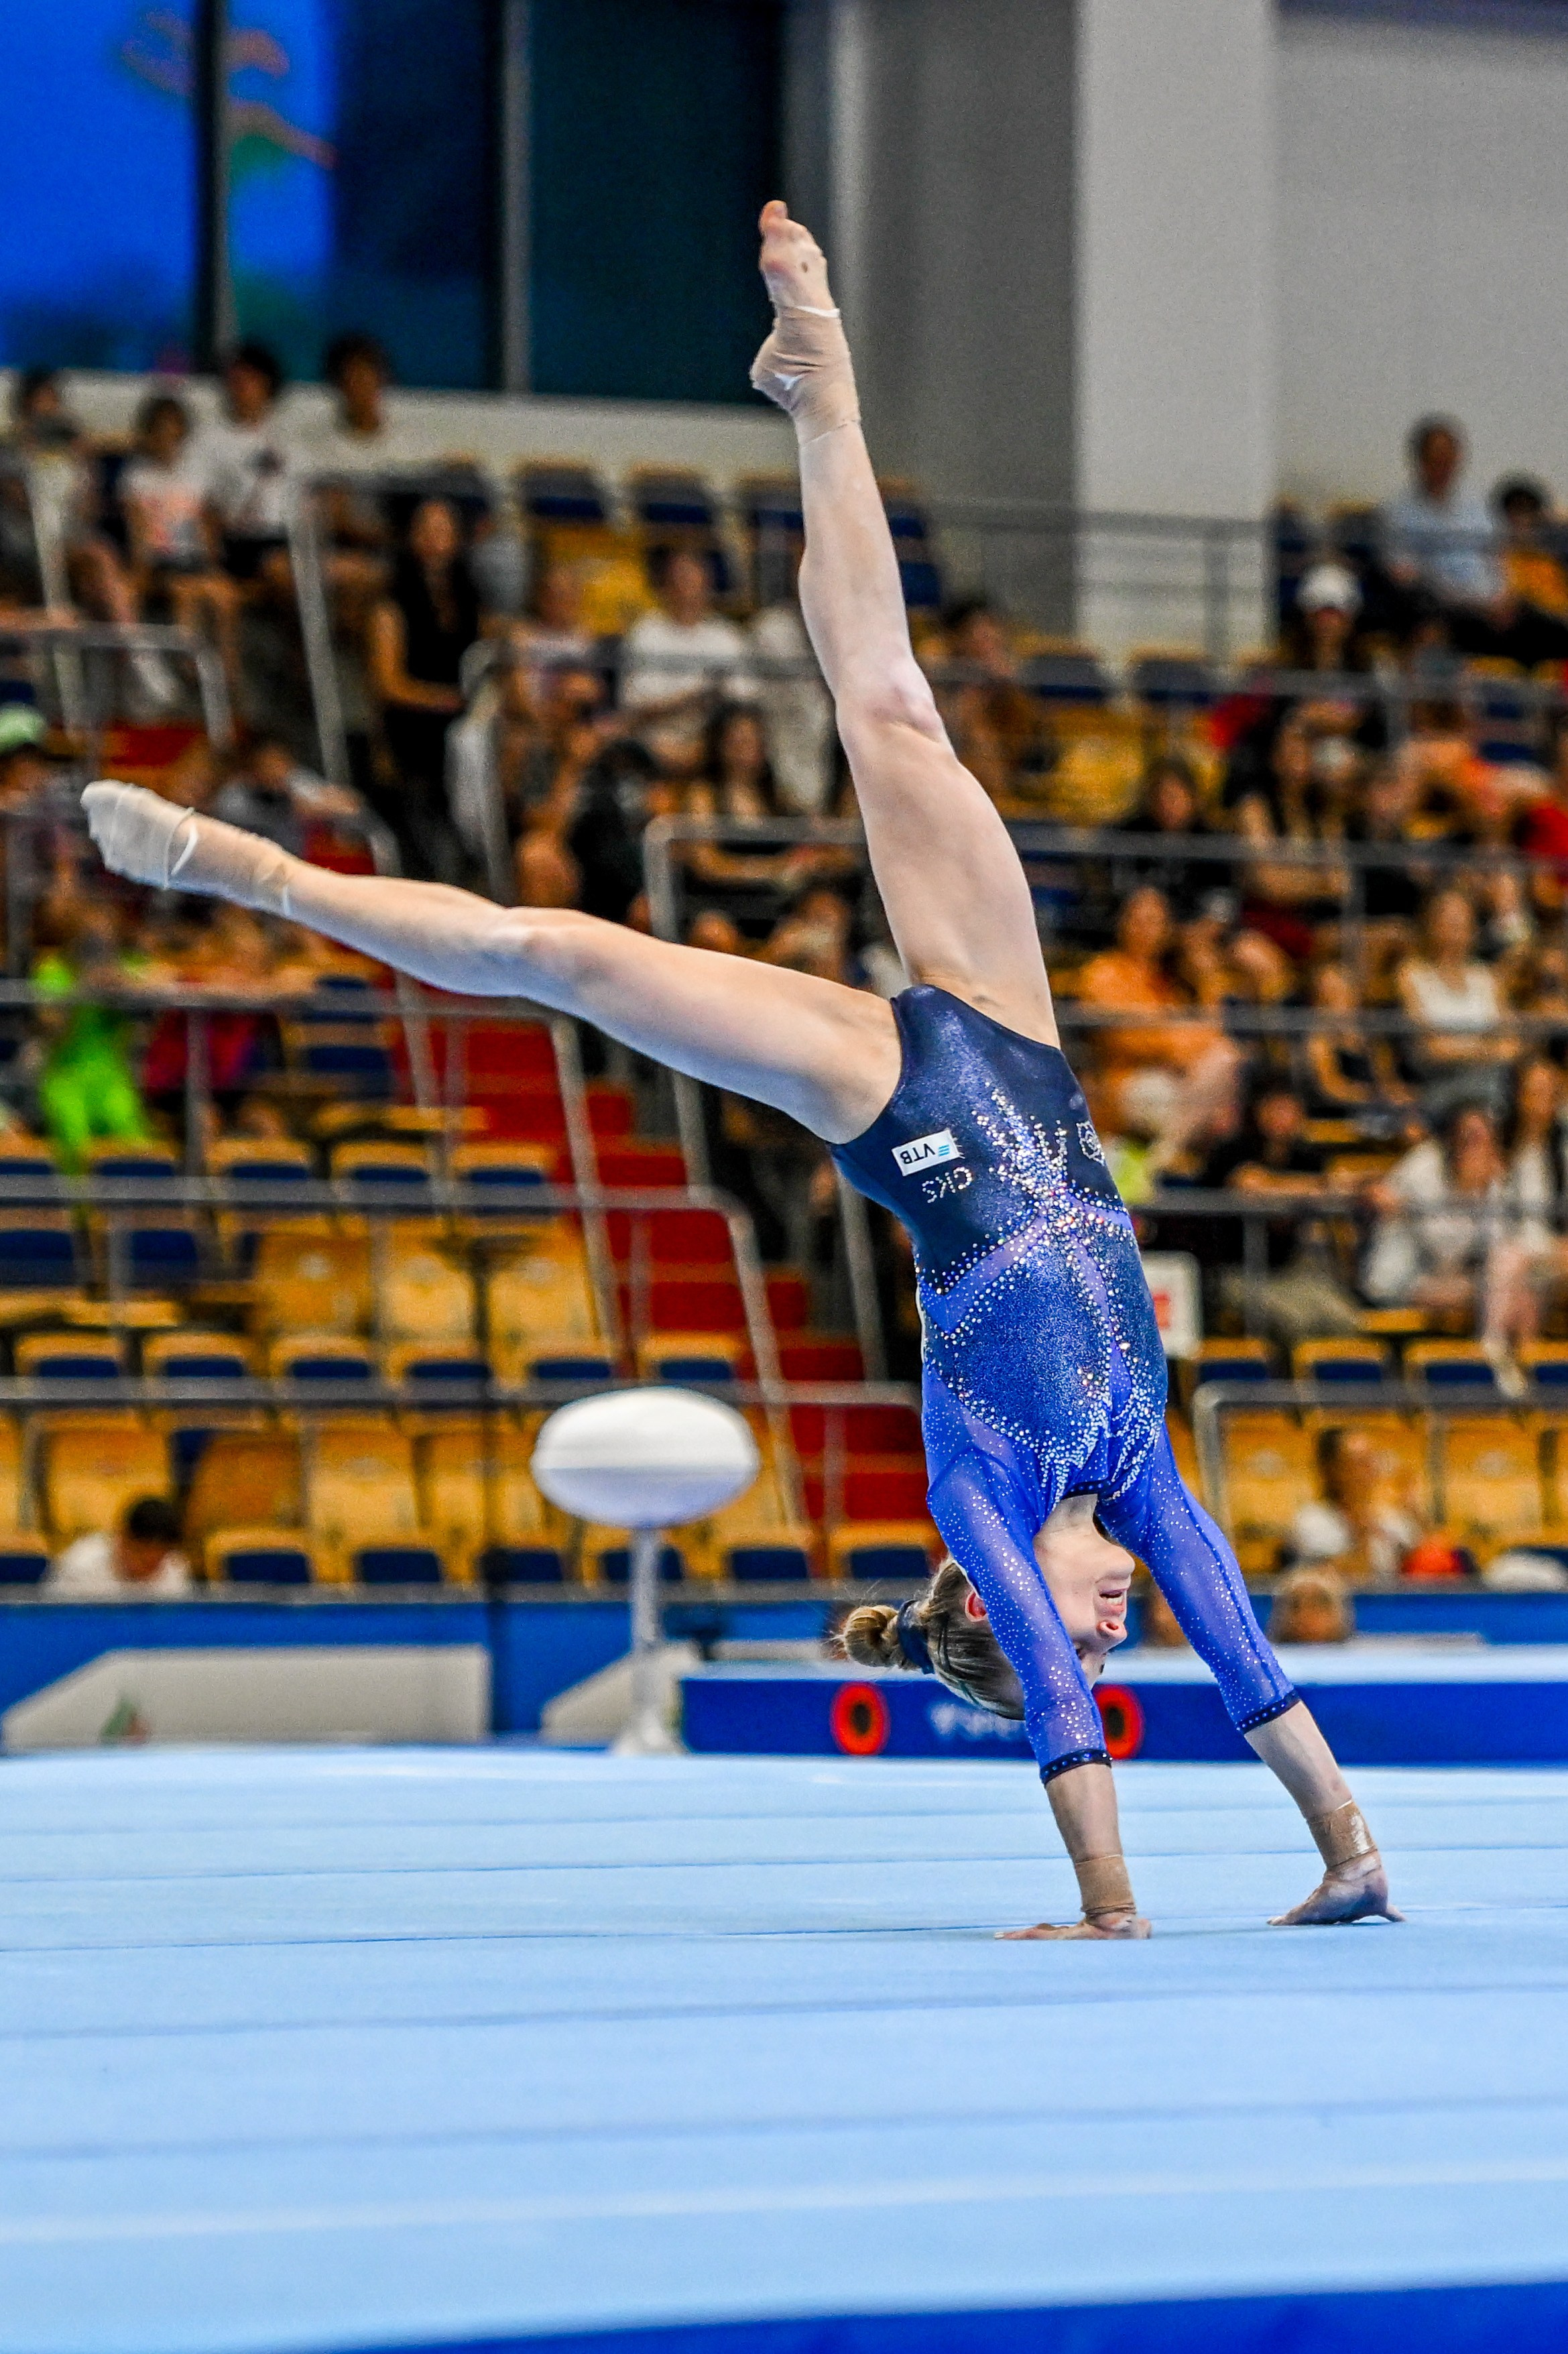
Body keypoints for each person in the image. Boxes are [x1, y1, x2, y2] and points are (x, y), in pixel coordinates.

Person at [82, 199, 1399, 1936]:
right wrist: (1344, 1850)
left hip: (897, 1111)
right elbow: (1248, 1659)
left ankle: (248, 869)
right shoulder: (1140, 1472)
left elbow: (1061, 1719)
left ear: (982, 1601)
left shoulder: (982, 1494)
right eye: (1104, 1637)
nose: (1108, 1633)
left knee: (554, 954)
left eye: (1077, 1640)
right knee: (894, 709)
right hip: (1015, 1039)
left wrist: (1104, 1899)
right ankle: (818, 387)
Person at [365, 497, 481, 880]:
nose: (435, 541)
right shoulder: (393, 602)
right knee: (461, 743)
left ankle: (483, 836)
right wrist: (442, 700)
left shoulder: (468, 599)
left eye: (444, 531)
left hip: (459, 714)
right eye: (427, 531)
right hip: (415, 719)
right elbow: (388, 684)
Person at [618, 547, 756, 774]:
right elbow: (635, 709)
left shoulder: (727, 637)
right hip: (655, 746)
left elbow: (744, 702)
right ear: (665, 586)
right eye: (680, 580)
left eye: (693, 580)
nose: (687, 589)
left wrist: (705, 745)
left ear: (707, 585)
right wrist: (692, 700)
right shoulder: (646, 632)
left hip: (714, 749)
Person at [1287, 1427, 1422, 1589]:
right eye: (1360, 1463)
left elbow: (1428, 1571)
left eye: (1373, 1460)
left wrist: (1416, 1513)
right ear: (1333, 1470)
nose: (1371, 1471)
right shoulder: (1313, 1521)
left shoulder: (1392, 1519)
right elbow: (1353, 1580)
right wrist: (1363, 1532)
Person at [46, 1496, 192, 1599]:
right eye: (141, 1557)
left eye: (156, 1562)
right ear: (121, 1539)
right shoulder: (81, 1566)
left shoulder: (175, 1571)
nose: (146, 1569)